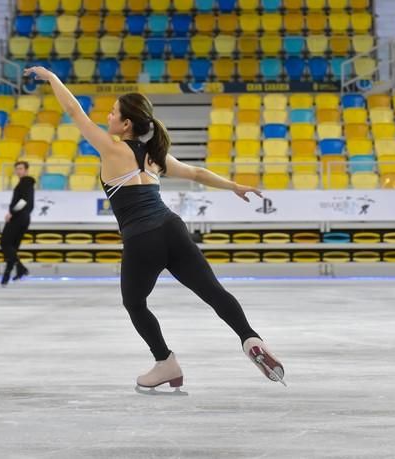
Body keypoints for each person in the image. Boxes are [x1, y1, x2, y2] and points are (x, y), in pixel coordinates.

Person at [24, 66, 285, 392]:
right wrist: (234, 185)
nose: (108, 116)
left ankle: (165, 362)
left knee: (134, 303)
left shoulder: (111, 147)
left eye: (113, 112)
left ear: (126, 124)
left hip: (141, 237)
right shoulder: (154, 156)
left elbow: (73, 110)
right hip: (172, 228)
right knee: (213, 292)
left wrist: (51, 78)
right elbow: (196, 172)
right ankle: (250, 339)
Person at [0, 161, 35, 286]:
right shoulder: (25, 183)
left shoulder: (26, 182)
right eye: (17, 169)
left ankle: (21, 269)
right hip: (22, 218)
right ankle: (8, 275)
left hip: (19, 217)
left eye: (21, 168)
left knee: (4, 242)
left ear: (26, 170)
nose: (18, 171)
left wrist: (12, 213)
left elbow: (23, 201)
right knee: (12, 247)